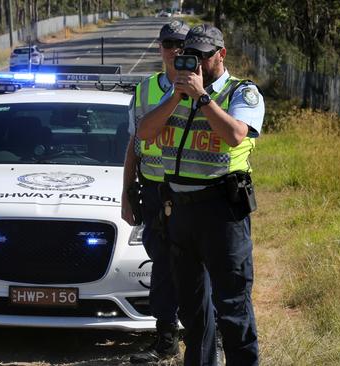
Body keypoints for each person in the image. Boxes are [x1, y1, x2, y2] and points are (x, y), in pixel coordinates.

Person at [137, 23, 264, 366]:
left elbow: (236, 134)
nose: (193, 63)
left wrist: (202, 98)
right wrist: (177, 97)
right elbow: (144, 132)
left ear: (221, 55)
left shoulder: (241, 92)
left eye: (202, 56)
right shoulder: (176, 92)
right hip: (180, 211)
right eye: (188, 54)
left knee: (233, 309)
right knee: (193, 311)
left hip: (222, 212)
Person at [121, 20, 189, 364]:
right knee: (161, 264)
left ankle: (207, 334)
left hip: (191, 191)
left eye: (181, 43)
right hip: (153, 191)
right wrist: (126, 192)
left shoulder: (201, 87)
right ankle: (165, 340)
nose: (175, 50)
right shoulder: (146, 88)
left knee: (199, 265)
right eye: (168, 43)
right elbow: (134, 144)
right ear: (159, 47)